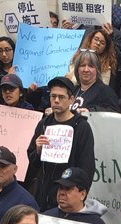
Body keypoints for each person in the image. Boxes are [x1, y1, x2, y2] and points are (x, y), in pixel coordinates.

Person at [26, 76, 95, 211]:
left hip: (68, 202)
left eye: (61, 97)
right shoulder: (43, 124)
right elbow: (32, 164)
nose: (56, 100)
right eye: (53, 96)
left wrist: (78, 198)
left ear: (71, 99)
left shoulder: (81, 127)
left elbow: (87, 167)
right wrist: (38, 152)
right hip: (42, 199)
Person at [43, 167, 107, 224]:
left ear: (82, 194)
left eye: (68, 188)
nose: (61, 192)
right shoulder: (47, 217)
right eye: (61, 188)